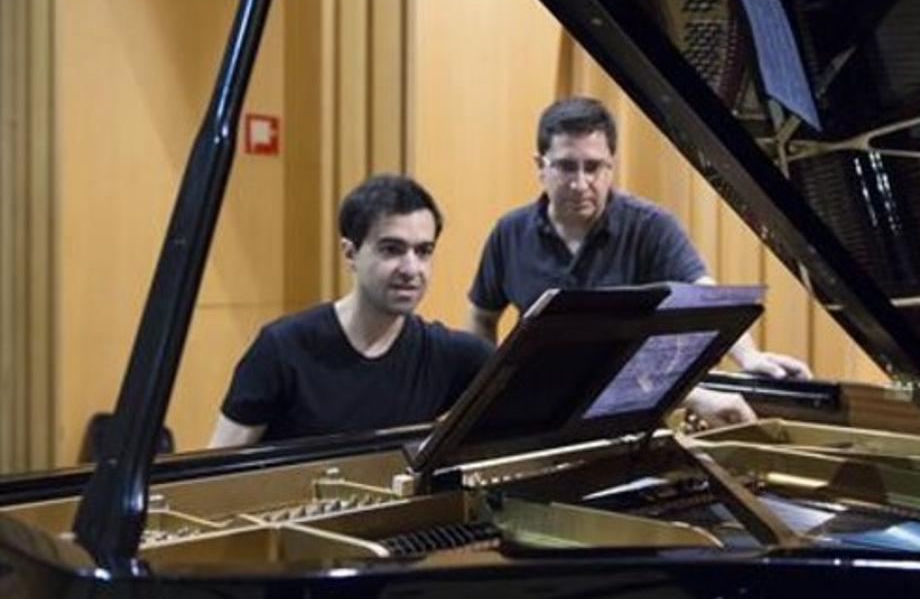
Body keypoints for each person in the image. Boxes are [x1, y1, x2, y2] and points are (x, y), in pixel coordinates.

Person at [466, 97, 813, 382]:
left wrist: (748, 356)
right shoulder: (509, 232)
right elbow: (482, 316)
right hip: (537, 400)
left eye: (594, 167)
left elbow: (704, 296)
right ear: (540, 166)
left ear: (611, 166)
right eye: (566, 167)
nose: (581, 182)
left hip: (624, 401)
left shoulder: (651, 226)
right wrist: (487, 385)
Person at [209, 175, 493, 448]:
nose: (411, 269)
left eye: (423, 251)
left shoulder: (450, 355)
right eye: (391, 249)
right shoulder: (281, 348)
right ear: (350, 253)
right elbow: (214, 474)